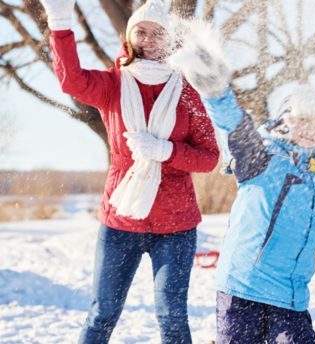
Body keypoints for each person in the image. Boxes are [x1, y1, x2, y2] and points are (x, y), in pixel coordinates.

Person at [170, 34, 315, 343]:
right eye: (304, 120)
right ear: (286, 120)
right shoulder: (263, 157)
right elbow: (236, 125)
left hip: (290, 297)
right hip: (243, 286)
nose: (312, 129)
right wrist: (215, 91)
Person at [40, 0, 220, 342]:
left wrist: (166, 151)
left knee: (172, 317)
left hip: (177, 225)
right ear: (129, 35)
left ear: (171, 40)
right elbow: (71, 81)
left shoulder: (188, 91)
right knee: (102, 314)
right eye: (141, 30)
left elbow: (209, 157)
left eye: (158, 32)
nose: (148, 38)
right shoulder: (113, 84)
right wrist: (61, 22)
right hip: (121, 220)